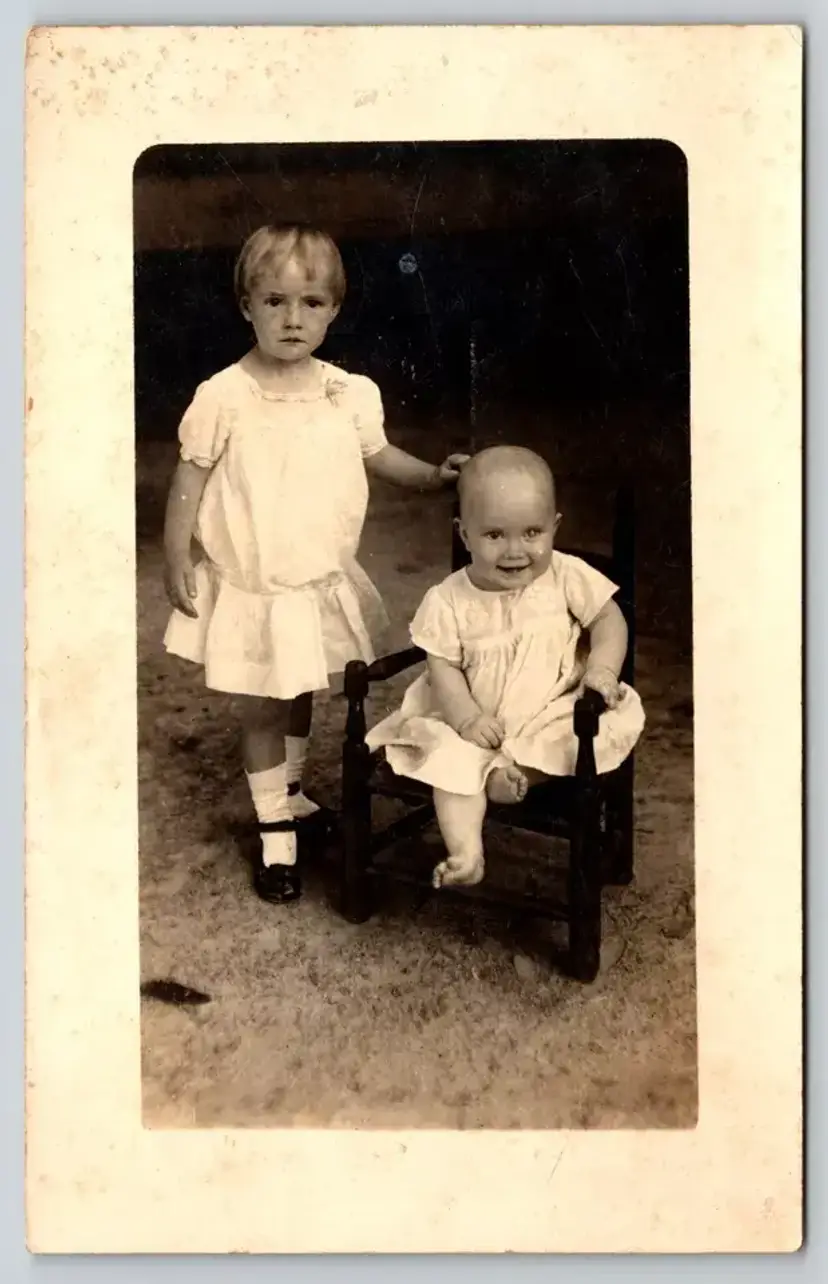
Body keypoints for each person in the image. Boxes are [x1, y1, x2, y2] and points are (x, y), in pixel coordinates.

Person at [162, 223, 467, 904]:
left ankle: (291, 798)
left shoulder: (347, 392)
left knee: (298, 688)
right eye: (274, 301)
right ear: (246, 306)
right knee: (265, 704)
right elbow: (191, 474)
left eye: (310, 303)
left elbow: (379, 455)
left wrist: (433, 478)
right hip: (255, 583)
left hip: (312, 580)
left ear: (334, 309)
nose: (292, 319)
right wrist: (175, 551)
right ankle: (275, 837)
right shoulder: (225, 395)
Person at [365, 445, 645, 890]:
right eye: (494, 536)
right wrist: (466, 717)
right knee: (447, 756)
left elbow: (609, 619)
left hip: (550, 709)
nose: (516, 551)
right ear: (465, 535)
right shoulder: (447, 598)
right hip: (474, 720)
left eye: (532, 532)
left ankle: (511, 776)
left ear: (554, 527)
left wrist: (603, 671)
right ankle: (466, 853)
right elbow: (442, 666)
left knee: (569, 739)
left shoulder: (567, 575)